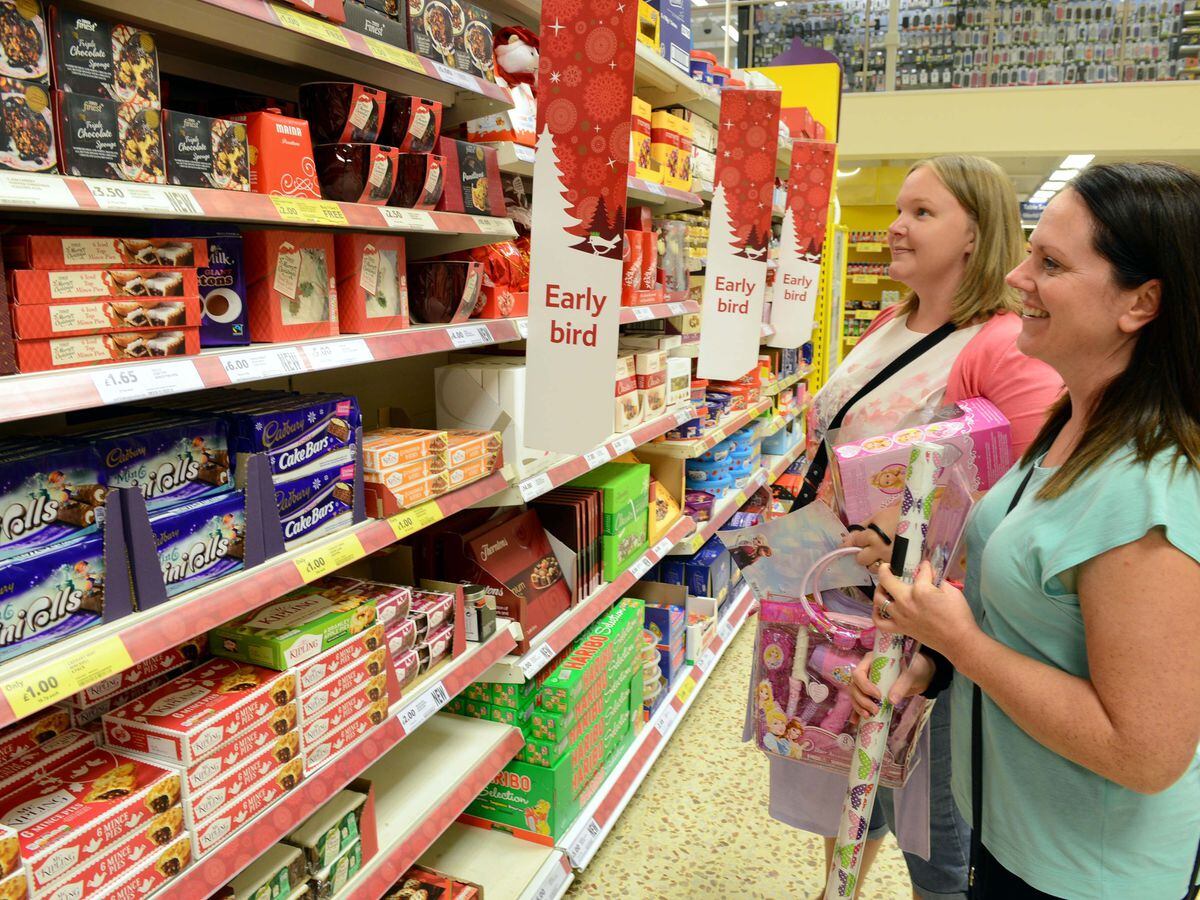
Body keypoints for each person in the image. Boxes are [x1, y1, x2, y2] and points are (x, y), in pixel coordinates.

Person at [852, 161, 1200, 898]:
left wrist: (960, 643)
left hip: (1084, 873)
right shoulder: (1072, 422)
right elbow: (1043, 620)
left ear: (1141, 302)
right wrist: (936, 664)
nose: (1015, 277)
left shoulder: (1150, 490)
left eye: (1050, 263)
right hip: (1010, 833)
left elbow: (1145, 752)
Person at [759, 155, 1063, 900]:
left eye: (922, 213)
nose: (895, 227)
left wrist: (905, 541)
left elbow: (1027, 494)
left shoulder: (1001, 344)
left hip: (922, 622)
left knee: (932, 817)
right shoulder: (896, 320)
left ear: (976, 234)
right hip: (844, 598)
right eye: (899, 209)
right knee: (854, 787)